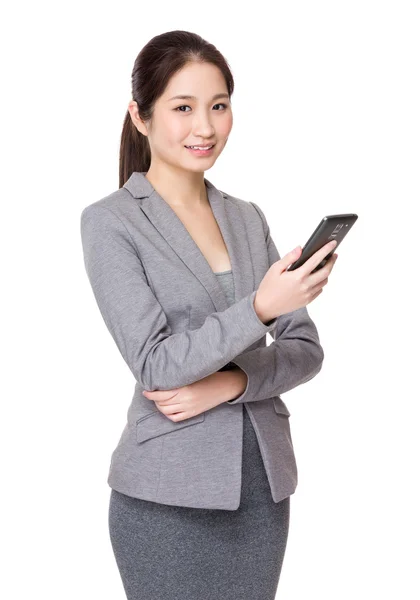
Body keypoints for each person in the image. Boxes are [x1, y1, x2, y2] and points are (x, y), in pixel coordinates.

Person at [80, 30, 338, 600]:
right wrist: (260, 309)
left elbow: (305, 351)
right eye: (183, 107)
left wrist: (230, 384)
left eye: (219, 106)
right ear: (140, 116)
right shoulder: (112, 222)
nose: (205, 126)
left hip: (261, 490)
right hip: (165, 495)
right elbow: (156, 364)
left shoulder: (247, 217)